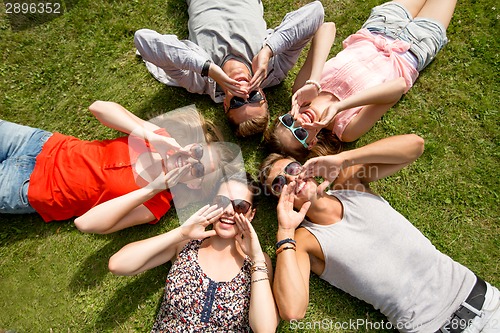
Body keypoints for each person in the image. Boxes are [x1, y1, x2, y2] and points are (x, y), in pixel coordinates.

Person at [259, 134, 500, 333]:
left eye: (292, 168)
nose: (291, 178)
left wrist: (343, 159)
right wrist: (286, 229)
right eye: (279, 184)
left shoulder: (350, 184)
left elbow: (415, 145)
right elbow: (293, 310)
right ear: (281, 200)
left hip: (485, 302)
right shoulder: (305, 241)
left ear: (305, 167)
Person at [0, 101, 236, 234]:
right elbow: (98, 108)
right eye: (197, 153)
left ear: (194, 183)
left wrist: (153, 189)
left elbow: (86, 224)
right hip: (38, 142)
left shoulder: (156, 203)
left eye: (198, 170)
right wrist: (150, 136)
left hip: (30, 187)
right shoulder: (159, 137)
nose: (190, 161)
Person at [266, 0, 457, 160]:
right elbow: (398, 87)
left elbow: (327, 28)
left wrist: (314, 82)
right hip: (414, 49)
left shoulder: (302, 89)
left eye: (289, 121)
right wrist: (339, 107)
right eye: (300, 134)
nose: (299, 122)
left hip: (381, 25)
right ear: (312, 143)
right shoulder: (346, 129)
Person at [108, 173, 280, 332]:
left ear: (251, 215)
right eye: (221, 201)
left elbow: (265, 329)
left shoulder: (258, 261)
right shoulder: (186, 244)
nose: (228, 210)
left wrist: (257, 259)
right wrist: (180, 233)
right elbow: (118, 265)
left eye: (240, 206)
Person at [134, 0, 324, 137]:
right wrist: (268, 51)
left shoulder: (198, 81)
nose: (244, 91)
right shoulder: (273, 69)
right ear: (264, 96)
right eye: (253, 97)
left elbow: (143, 40)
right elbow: (315, 12)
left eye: (237, 103)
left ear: (225, 105)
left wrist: (209, 69)